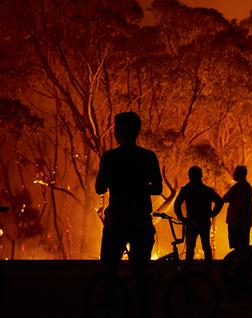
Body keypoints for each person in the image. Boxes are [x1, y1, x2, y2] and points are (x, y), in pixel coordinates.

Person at [95, 111, 162, 316]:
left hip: (117, 218)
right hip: (140, 218)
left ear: (119, 132)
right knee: (140, 270)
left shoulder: (110, 157)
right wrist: (140, 188)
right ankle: (141, 309)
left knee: (110, 266)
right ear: (137, 132)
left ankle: (109, 304)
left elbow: (99, 188)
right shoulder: (148, 156)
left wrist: (115, 184)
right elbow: (158, 188)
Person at [174, 166, 224, 261]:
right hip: (204, 221)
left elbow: (177, 204)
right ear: (201, 176)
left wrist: (181, 217)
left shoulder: (186, 189)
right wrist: (213, 214)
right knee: (206, 247)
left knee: (190, 249)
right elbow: (220, 201)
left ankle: (188, 270)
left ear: (189, 176)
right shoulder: (207, 190)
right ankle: (208, 270)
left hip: (191, 222)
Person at [222, 165, 252, 250]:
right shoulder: (247, 187)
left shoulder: (237, 187)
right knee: (243, 246)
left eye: (235, 172)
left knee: (237, 247)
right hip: (245, 222)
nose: (233, 174)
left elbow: (225, 198)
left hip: (235, 222)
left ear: (240, 174)